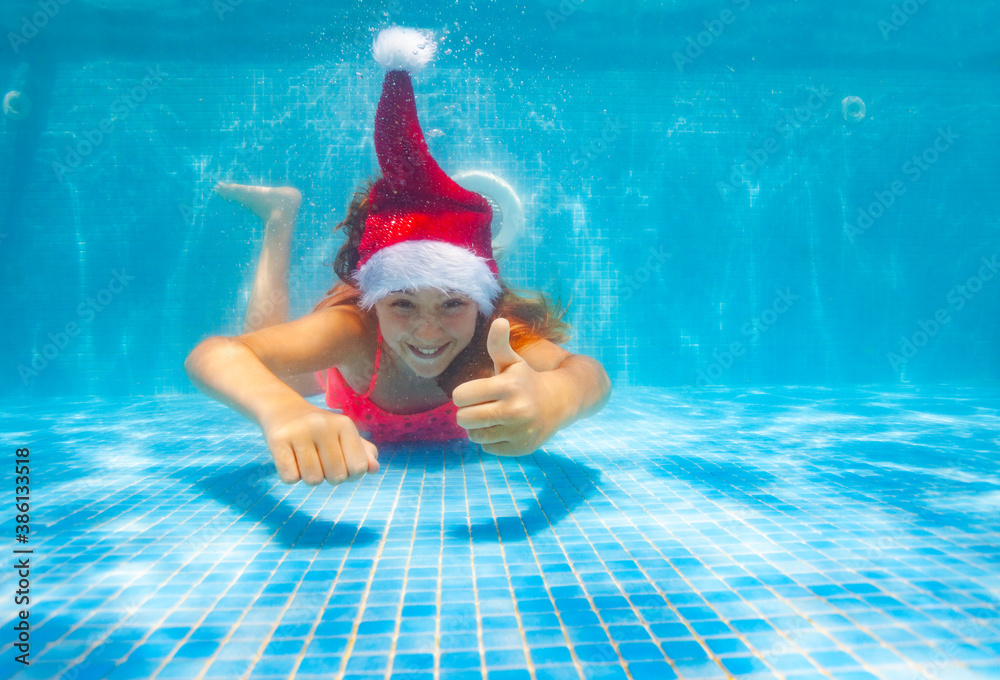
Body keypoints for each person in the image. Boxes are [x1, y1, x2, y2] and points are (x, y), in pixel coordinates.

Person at [185, 27, 611, 488]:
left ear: (479, 304)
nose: (428, 332)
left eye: (453, 303)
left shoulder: (489, 341)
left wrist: (555, 397)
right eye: (402, 303)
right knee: (281, 369)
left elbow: (591, 375)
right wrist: (284, 411)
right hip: (347, 370)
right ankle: (278, 217)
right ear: (375, 303)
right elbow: (215, 355)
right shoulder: (355, 332)